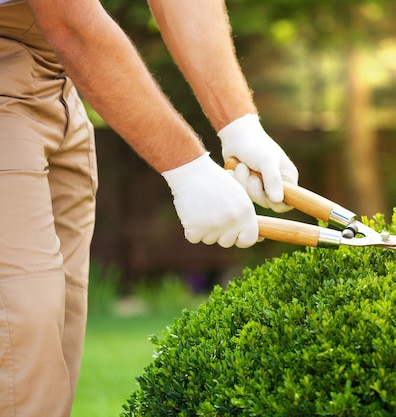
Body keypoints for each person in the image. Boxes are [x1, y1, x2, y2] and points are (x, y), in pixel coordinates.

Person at [0, 0, 298, 415]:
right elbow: (70, 23)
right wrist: (188, 170)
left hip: (58, 84)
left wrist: (239, 124)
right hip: (36, 50)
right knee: (20, 343)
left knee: (53, 349)